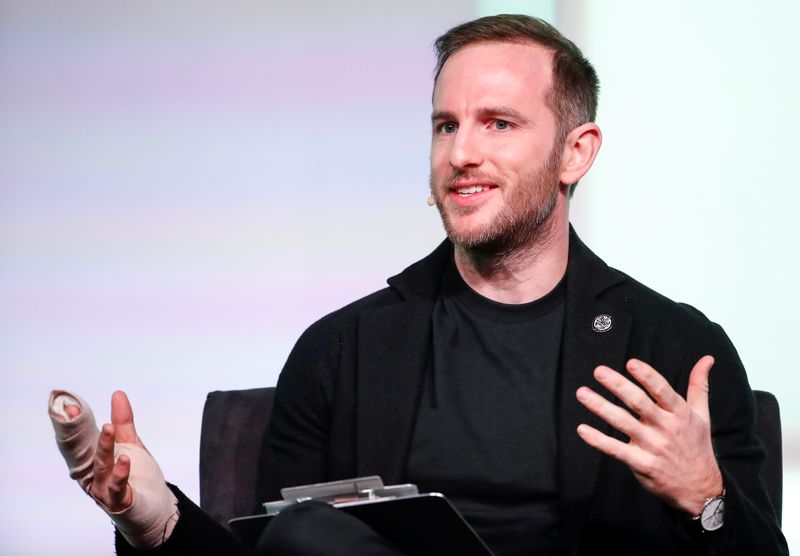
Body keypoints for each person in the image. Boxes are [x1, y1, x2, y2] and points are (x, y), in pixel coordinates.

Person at [50, 14, 787, 556]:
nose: (461, 152)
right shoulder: (344, 350)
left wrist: (707, 499)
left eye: (498, 124)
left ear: (575, 152)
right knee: (308, 536)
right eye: (444, 125)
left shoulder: (676, 349)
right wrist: (158, 524)